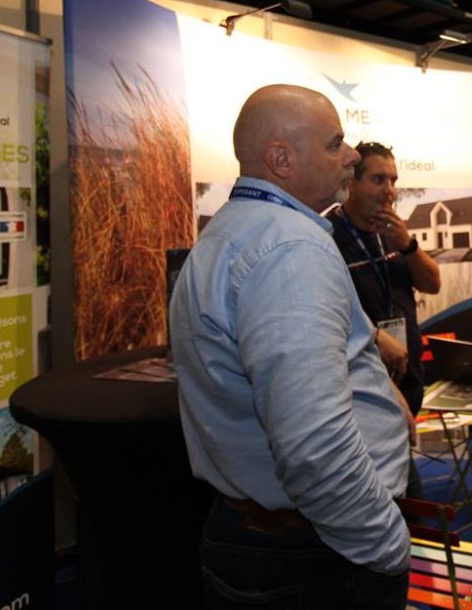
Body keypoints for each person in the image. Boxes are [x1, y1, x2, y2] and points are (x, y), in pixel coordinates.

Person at [169, 85, 414, 610]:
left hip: (273, 538)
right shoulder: (290, 247)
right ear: (281, 159)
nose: (351, 155)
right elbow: (315, 445)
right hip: (317, 553)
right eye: (334, 144)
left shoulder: (236, 229)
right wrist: (385, 547)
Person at [326, 141, 441, 497]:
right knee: (389, 493)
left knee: (394, 486)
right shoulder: (327, 236)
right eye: (378, 179)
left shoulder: (395, 231)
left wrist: (407, 245)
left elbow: (432, 284)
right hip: (362, 387)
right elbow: (328, 315)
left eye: (393, 180)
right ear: (351, 183)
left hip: (408, 378)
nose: (389, 190)